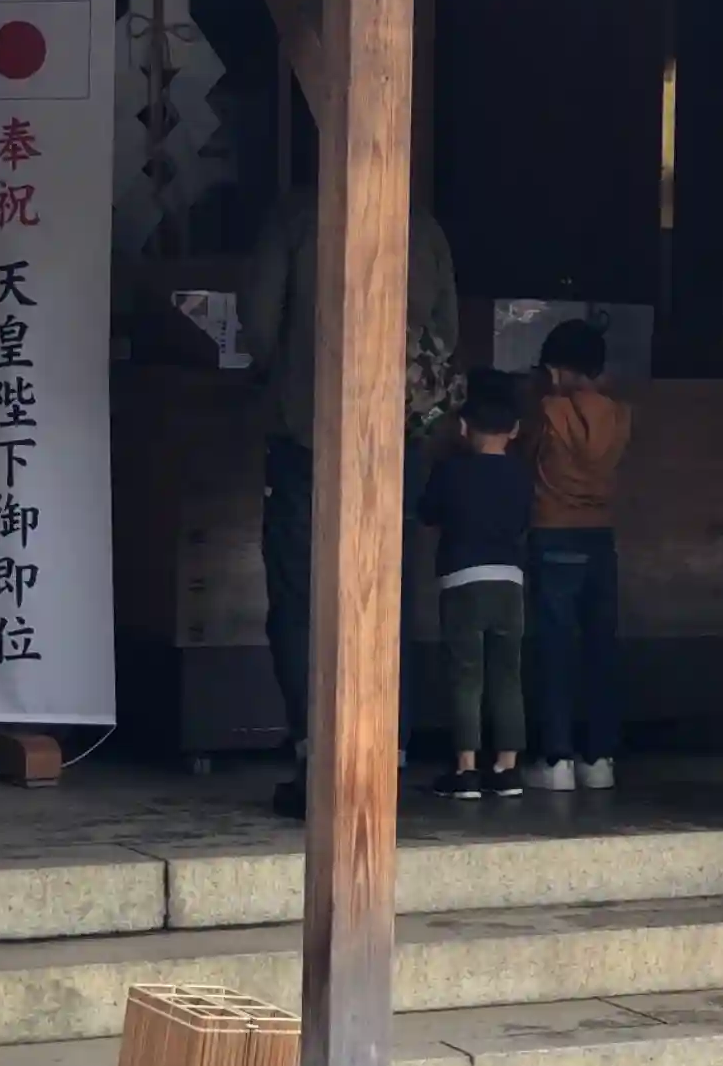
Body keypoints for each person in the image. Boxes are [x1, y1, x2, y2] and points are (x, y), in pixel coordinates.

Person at [239, 185, 459, 822]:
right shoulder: (421, 224)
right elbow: (445, 334)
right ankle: (388, 754)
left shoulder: (295, 217)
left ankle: (315, 755)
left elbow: (259, 323)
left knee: (299, 595)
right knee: (388, 594)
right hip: (395, 438)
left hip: (306, 431)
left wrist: (288, 375)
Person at [520, 320, 632, 792]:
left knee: (555, 649)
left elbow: (525, 456)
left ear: (555, 368)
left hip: (552, 533)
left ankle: (557, 759)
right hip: (600, 536)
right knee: (599, 648)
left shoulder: (548, 411)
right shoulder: (620, 415)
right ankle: (599, 758)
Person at [417, 371, 535, 800]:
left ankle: (466, 769)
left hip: (463, 581)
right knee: (508, 674)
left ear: (464, 427)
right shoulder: (522, 476)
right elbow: (524, 523)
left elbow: (427, 513)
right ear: (515, 430)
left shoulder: (451, 471)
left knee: (466, 675)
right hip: (510, 581)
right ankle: (507, 767)